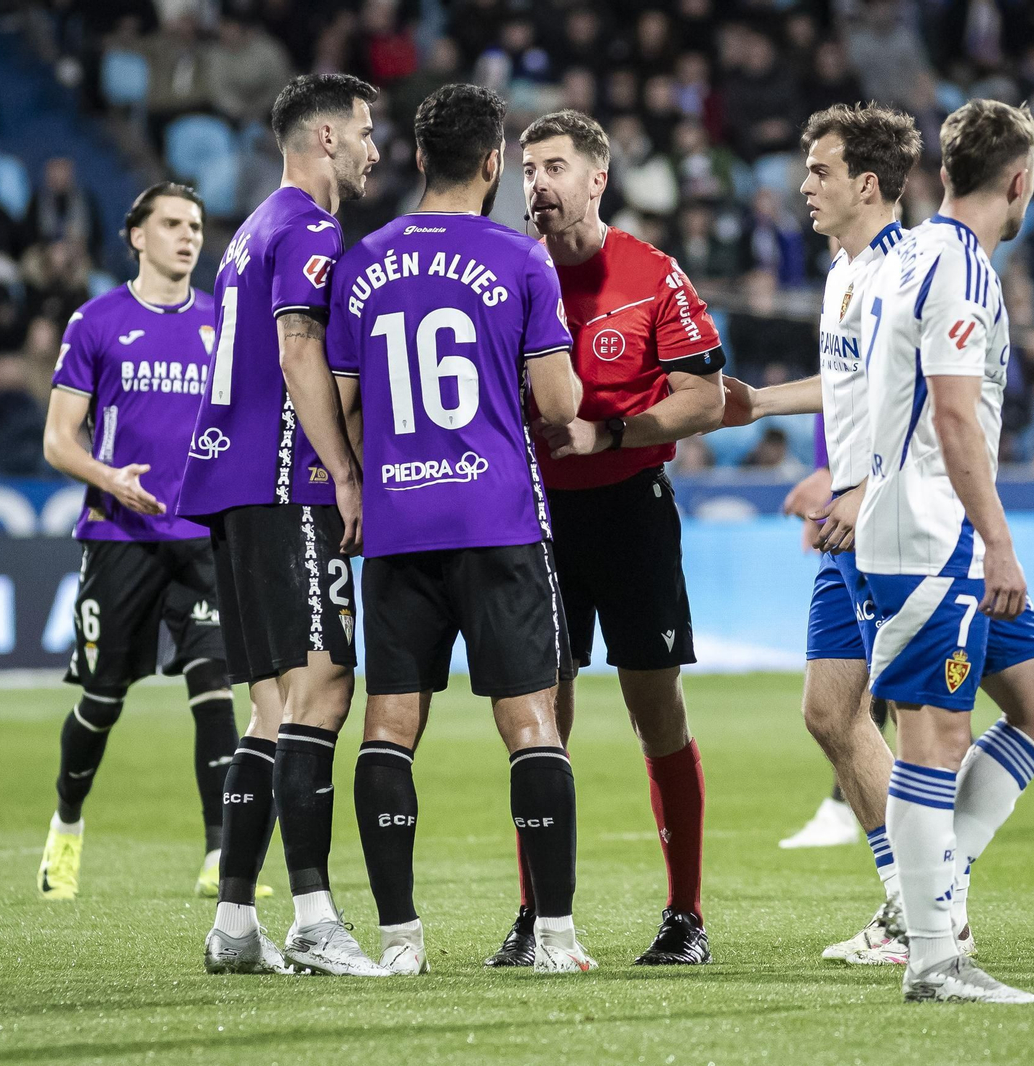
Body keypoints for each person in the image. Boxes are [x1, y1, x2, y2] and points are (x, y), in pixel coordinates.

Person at [325, 82, 595, 975]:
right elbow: (558, 405)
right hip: (497, 517)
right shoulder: (522, 259)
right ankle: (554, 936)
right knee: (530, 726)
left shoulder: (364, 261)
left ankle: (400, 942)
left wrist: (360, 478)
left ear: (415, 158)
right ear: (492, 164)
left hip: (400, 523)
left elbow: (346, 402)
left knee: (389, 728)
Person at [857, 99, 1034, 1004]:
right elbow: (952, 416)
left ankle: (932, 887)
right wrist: (1000, 540)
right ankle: (934, 956)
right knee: (935, 740)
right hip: (931, 534)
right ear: (1020, 181)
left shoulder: (907, 253)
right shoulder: (963, 271)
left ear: (947, 170)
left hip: (934, 530)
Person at [505, 108, 726, 967]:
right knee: (537, 719)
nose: (537, 185)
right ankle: (538, 919)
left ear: (598, 177)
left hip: (631, 509)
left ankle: (685, 917)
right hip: (533, 520)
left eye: (554, 167)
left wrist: (613, 433)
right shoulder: (508, 274)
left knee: (654, 711)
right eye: (528, 169)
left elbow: (704, 399)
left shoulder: (649, 273)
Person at [176, 73, 384, 977]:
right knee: (325, 686)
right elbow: (301, 343)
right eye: (368, 132)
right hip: (281, 479)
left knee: (269, 707)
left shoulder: (249, 231)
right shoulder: (308, 226)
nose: (378, 148)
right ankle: (311, 916)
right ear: (327, 139)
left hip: (229, 484)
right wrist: (343, 471)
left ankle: (233, 924)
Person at [716, 103, 923, 966]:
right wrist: (760, 402)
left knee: (922, 721)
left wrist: (863, 486)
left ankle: (934, 910)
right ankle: (904, 905)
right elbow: (852, 391)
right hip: (849, 518)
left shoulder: (904, 274)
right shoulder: (844, 271)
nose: (803, 186)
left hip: (897, 527)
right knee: (831, 711)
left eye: (820, 171)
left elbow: (917, 404)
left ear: (865, 183)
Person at [36, 183, 252, 910]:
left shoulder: (223, 324)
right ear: (137, 235)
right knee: (102, 698)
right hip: (119, 535)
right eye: (170, 224)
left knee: (215, 693)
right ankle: (66, 825)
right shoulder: (97, 322)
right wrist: (109, 478)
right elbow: (58, 439)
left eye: (194, 225)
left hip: (200, 537)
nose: (187, 236)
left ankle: (222, 852)